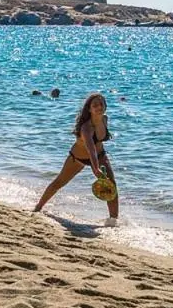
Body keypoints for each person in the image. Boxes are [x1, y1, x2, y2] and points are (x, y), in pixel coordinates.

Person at [33, 93, 119, 224]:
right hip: (78, 157)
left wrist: (98, 165)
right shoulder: (86, 128)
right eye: (95, 105)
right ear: (89, 109)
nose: (99, 107)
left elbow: (97, 148)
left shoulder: (105, 119)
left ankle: (113, 221)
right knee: (59, 182)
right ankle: (38, 207)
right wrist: (95, 168)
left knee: (111, 186)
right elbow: (91, 149)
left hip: (100, 155)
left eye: (101, 104)